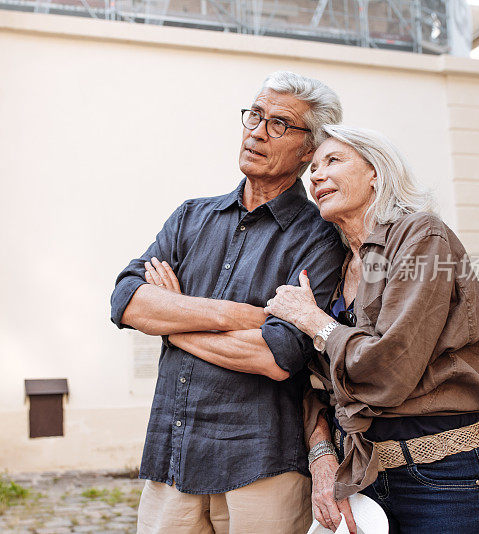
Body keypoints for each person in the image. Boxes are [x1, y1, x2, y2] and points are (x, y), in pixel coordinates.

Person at [109, 71, 346, 533]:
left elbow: (277, 355)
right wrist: (236, 315)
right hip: (172, 457)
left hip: (261, 469)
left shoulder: (319, 238)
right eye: (254, 115)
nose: (257, 131)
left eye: (279, 124)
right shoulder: (191, 217)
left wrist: (173, 315)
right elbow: (127, 301)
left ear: (308, 149)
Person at [264, 124, 479, 533]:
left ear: (376, 171)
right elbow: (312, 380)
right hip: (359, 473)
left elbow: (388, 370)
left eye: (333, 161)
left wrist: (312, 320)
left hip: (439, 476)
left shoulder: (421, 236)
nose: (316, 175)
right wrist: (322, 454)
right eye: (314, 169)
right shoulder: (337, 265)